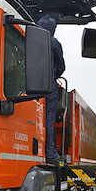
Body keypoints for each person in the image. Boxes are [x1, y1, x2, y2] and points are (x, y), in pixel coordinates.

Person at [37, 15, 65, 163]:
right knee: (48, 119)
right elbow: (61, 66)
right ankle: (50, 152)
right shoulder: (53, 43)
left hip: (29, 85)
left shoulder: (29, 40)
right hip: (48, 86)